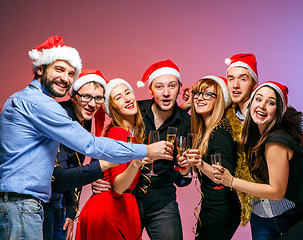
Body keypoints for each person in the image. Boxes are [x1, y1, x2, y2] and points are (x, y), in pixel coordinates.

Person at [0, 35, 172, 240]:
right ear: (40, 68)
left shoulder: (29, 101)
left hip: (27, 205)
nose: (65, 78)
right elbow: (89, 146)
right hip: (20, 205)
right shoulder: (39, 104)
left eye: (71, 73)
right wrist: (145, 150)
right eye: (59, 69)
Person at [213, 81, 303, 239]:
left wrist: (232, 181)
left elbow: (276, 192)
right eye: (258, 99)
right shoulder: (267, 138)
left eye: (271, 103)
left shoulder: (275, 142)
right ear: (250, 105)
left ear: (279, 111)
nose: (262, 106)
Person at [92, 59, 192, 240]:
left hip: (162, 202)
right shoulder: (134, 111)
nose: (167, 93)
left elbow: (183, 180)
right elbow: (106, 147)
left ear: (180, 88)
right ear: (150, 89)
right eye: (160, 87)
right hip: (127, 201)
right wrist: (97, 177)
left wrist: (185, 171)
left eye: (172, 86)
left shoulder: (186, 123)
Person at [76, 78, 152, 239]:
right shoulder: (119, 133)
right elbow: (118, 185)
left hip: (118, 207)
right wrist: (137, 163)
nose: (126, 99)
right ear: (113, 108)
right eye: (118, 98)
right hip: (110, 211)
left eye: (127, 92)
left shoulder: (131, 133)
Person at [43, 69, 108, 240]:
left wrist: (72, 211)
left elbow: (75, 164)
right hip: (41, 203)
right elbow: (59, 175)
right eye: (86, 96)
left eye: (98, 98)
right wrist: (103, 166)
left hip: (60, 204)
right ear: (73, 95)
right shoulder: (59, 115)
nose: (92, 104)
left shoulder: (84, 119)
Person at [178, 75, 241, 240]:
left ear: (219, 100)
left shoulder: (220, 130)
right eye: (197, 93)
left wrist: (199, 163)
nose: (199, 98)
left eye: (207, 94)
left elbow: (225, 176)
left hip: (222, 209)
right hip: (209, 206)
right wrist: (187, 167)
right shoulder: (203, 131)